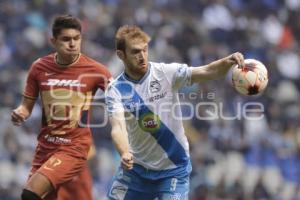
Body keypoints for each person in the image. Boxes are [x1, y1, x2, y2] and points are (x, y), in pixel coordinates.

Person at [105, 25, 244, 200]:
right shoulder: (116, 89)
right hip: (137, 171)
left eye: (145, 50)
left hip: (173, 170)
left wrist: (227, 61)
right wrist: (124, 152)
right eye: (135, 52)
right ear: (121, 55)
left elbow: (207, 71)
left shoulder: (165, 72)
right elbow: (117, 127)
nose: (142, 56)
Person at [11, 14, 112, 200]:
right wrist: (20, 113)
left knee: (30, 194)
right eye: (66, 39)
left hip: (73, 149)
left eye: (76, 39)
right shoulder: (39, 68)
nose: (72, 44)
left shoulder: (97, 71)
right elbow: (26, 106)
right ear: (53, 41)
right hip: (45, 148)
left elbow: (122, 97)